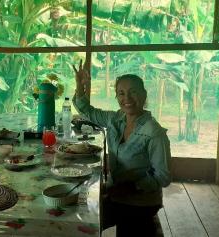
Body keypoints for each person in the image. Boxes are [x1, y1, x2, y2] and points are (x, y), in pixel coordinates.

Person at [72, 60, 171, 236]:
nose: (127, 98)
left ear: (144, 94)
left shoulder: (154, 132)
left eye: (133, 92)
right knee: (77, 216)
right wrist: (80, 86)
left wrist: (128, 188)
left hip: (140, 202)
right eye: (121, 93)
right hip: (116, 193)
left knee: (86, 221)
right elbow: (86, 110)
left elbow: (163, 177)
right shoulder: (116, 120)